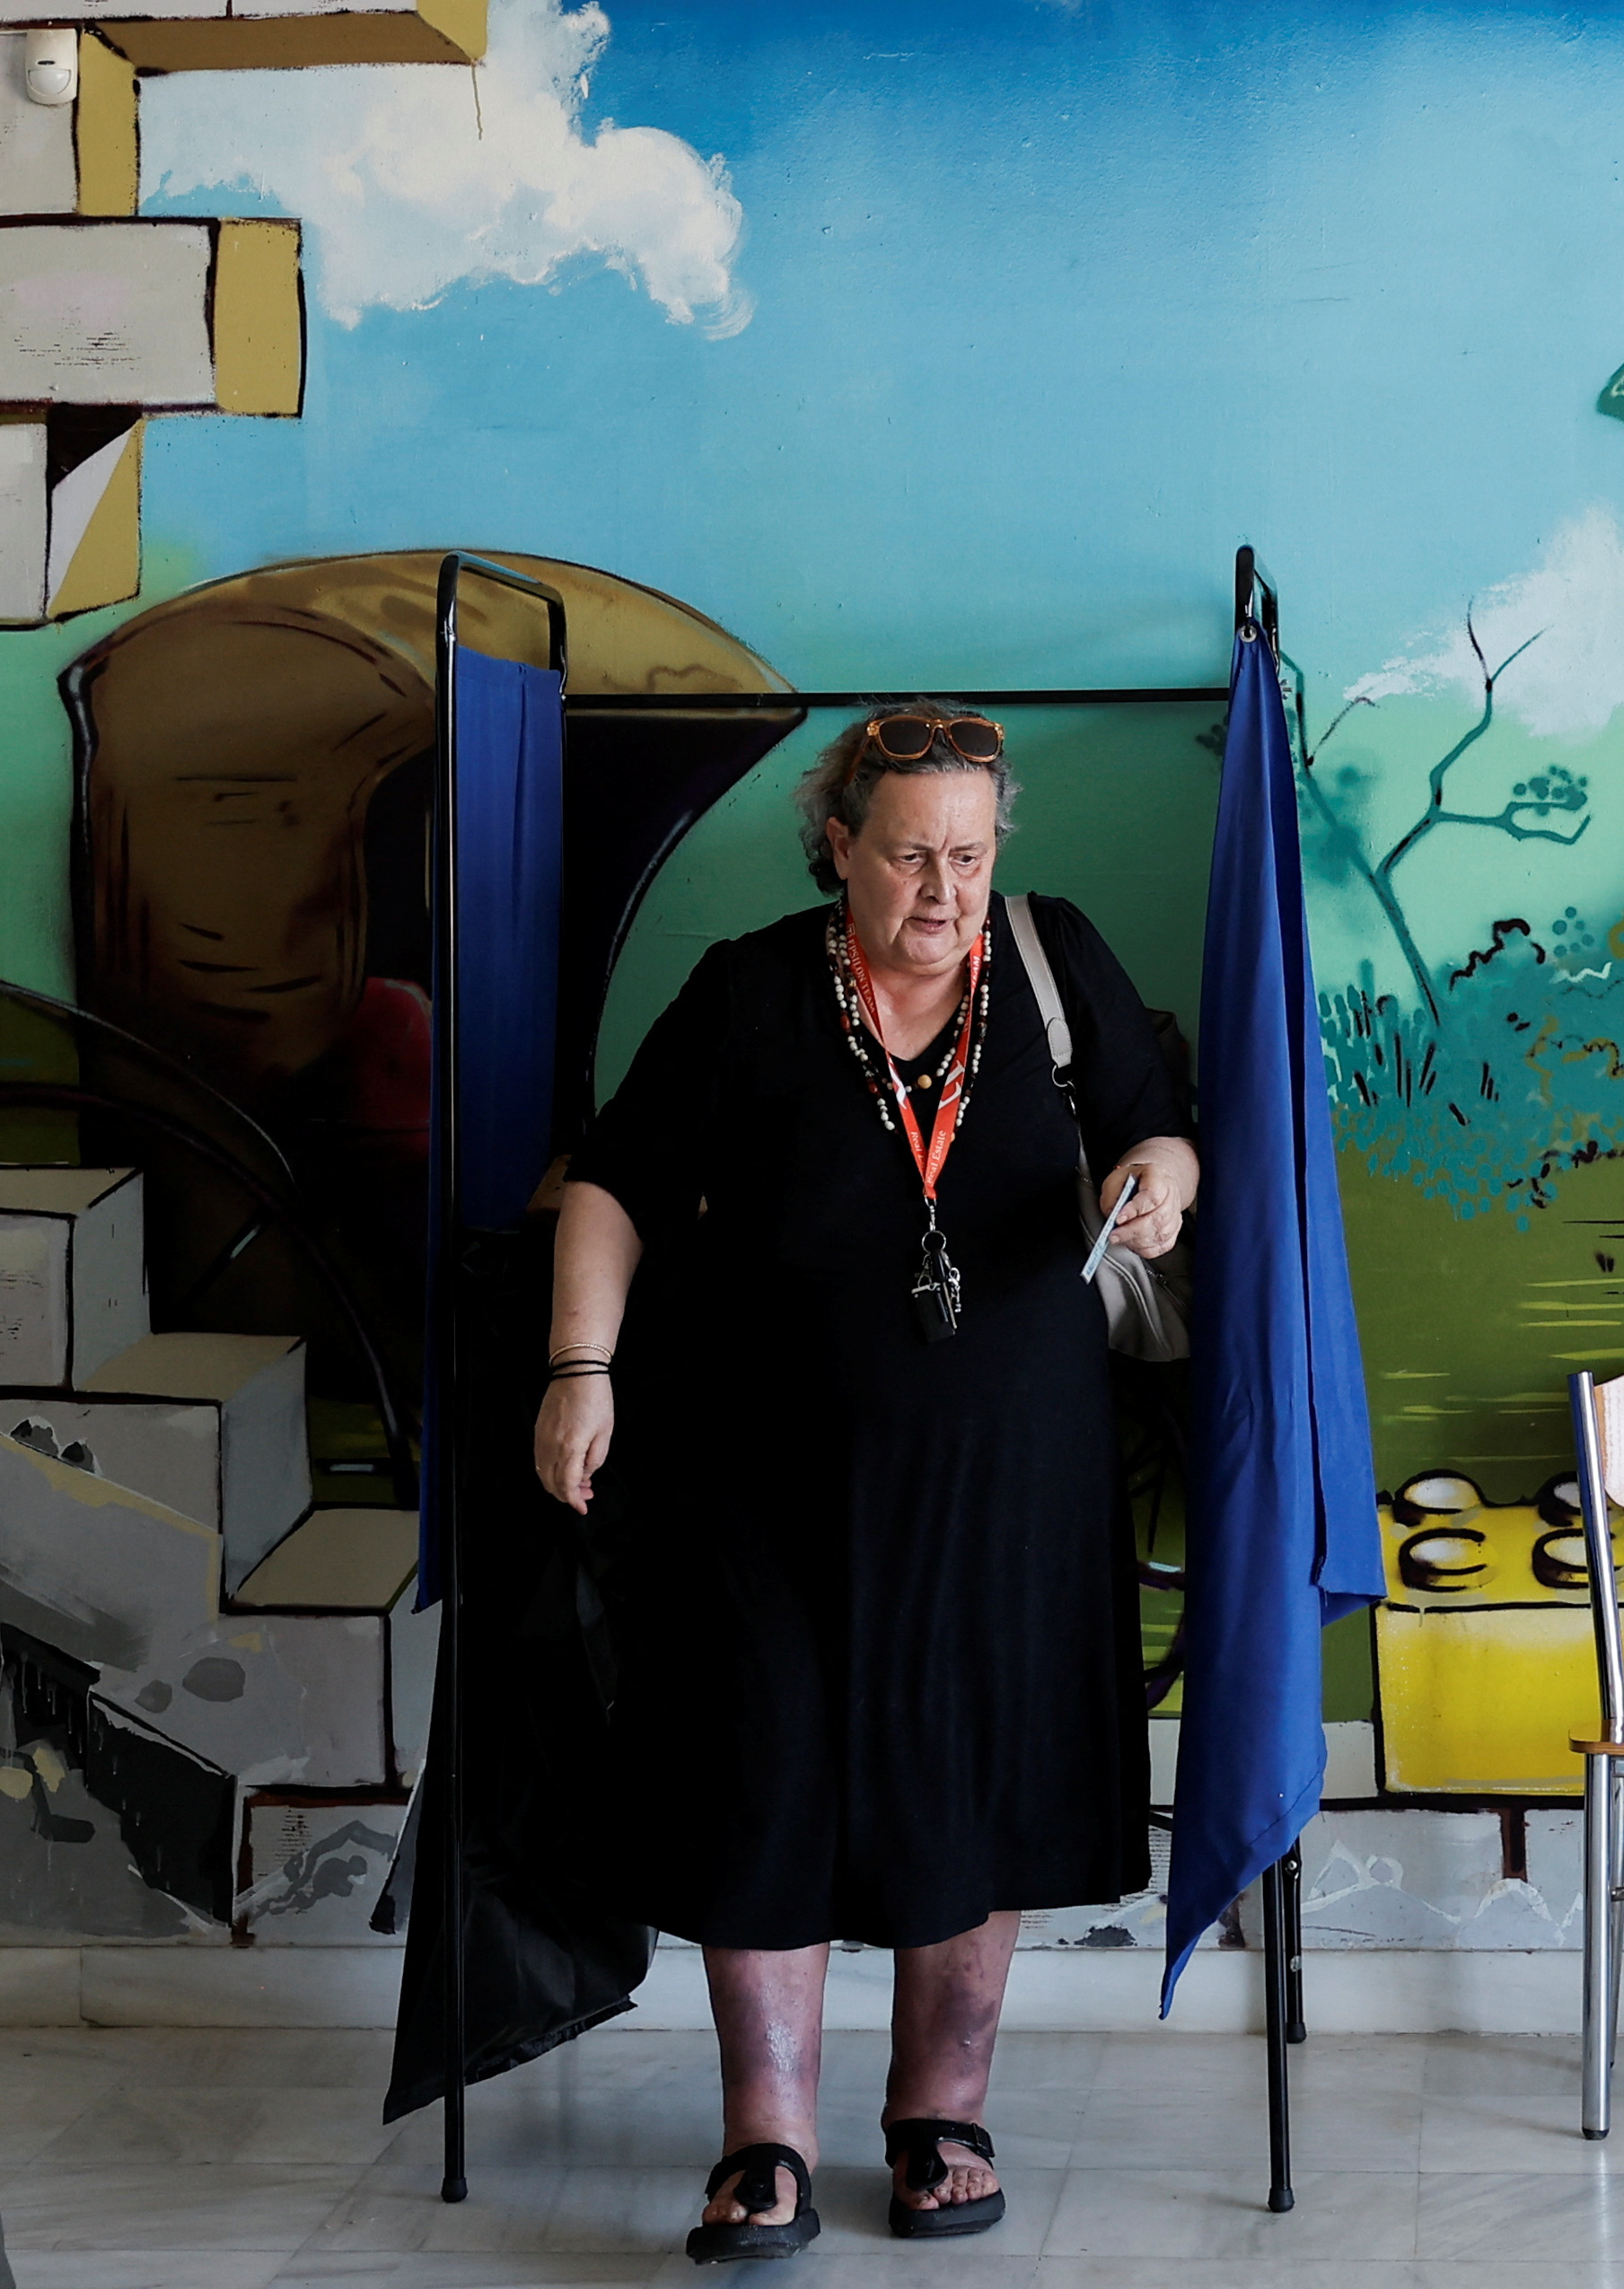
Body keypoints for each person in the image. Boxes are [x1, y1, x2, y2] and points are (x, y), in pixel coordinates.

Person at [532, 702, 1197, 2262]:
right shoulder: (750, 991)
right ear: (838, 845)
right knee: (761, 1778)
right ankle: (764, 2139)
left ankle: (936, 2116)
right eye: (910, 856)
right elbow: (614, 1183)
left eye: (969, 854)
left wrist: (1158, 1182)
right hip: (762, 1488)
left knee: (976, 1787)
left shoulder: (1049, 962)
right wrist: (581, 1370)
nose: (944, 891)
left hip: (1010, 1490)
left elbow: (1160, 1132)